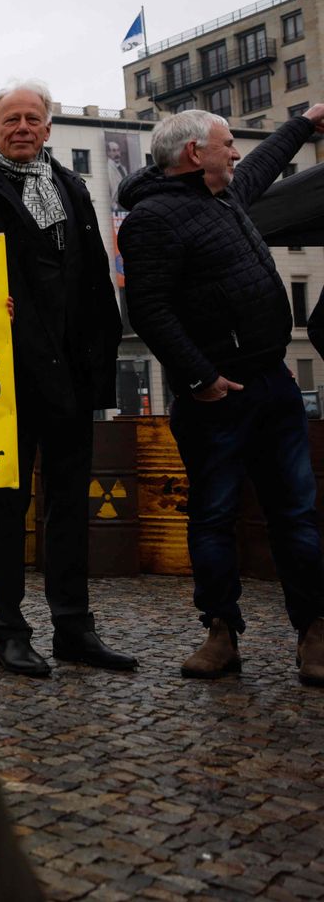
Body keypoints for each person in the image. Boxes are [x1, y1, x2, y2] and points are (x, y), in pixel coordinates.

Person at [0, 80, 133, 677]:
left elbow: (92, 275)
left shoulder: (70, 186)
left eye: (33, 118)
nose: (22, 127)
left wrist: (103, 352)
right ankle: (9, 632)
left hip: (72, 371)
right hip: (8, 375)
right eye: (11, 119)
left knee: (70, 506)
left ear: (49, 129)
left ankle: (74, 626)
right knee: (9, 505)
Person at [117, 103, 324, 685]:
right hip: (215, 397)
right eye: (226, 143)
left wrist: (305, 123)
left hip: (273, 384)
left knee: (297, 515)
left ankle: (313, 630)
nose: (235, 153)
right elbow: (151, 311)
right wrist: (200, 379)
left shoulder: (225, 193)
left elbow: (262, 164)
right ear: (194, 153)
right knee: (213, 517)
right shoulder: (151, 220)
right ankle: (220, 631)